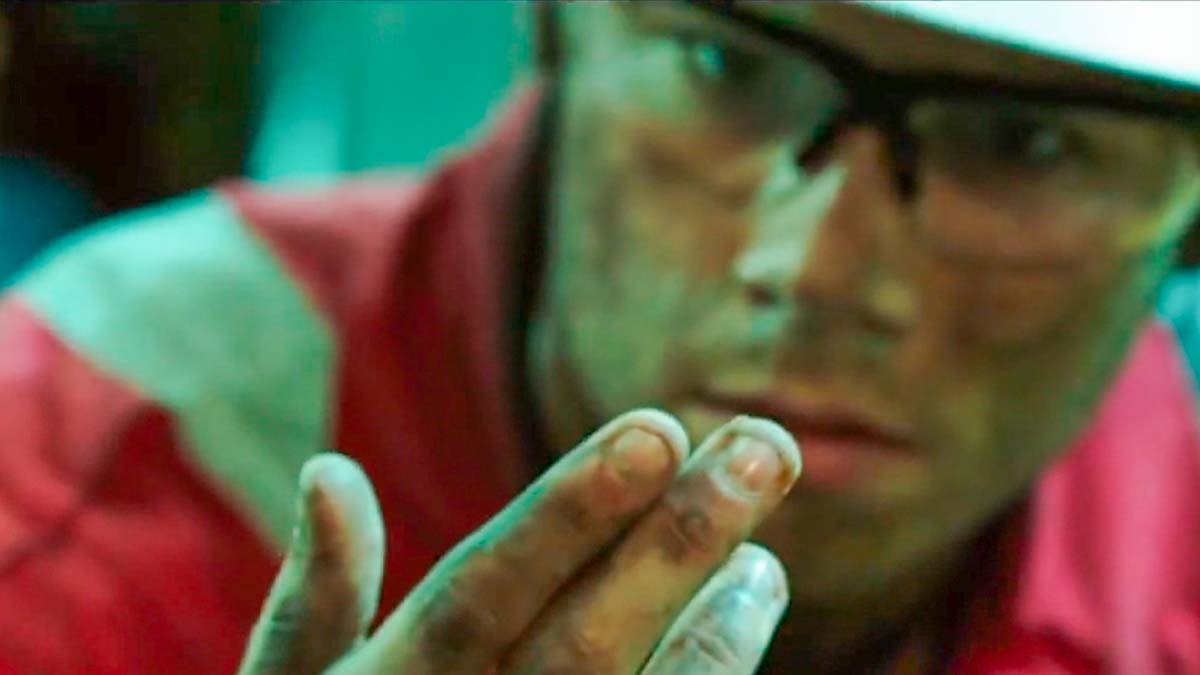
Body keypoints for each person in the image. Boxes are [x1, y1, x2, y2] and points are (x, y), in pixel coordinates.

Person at [0, 1, 1198, 673]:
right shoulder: (71, 474)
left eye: (1025, 143)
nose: (815, 270)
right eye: (727, 66)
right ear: (551, 27)